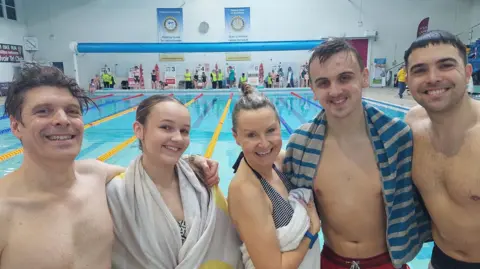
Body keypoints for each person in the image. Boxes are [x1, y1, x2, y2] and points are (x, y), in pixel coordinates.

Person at [0, 65, 219, 269]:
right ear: (16, 126)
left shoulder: (95, 175)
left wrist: (192, 161)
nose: (62, 120)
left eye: (72, 111)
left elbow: (150, 169)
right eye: (43, 111)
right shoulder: (4, 208)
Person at [282, 39, 430, 268]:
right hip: (329, 261)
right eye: (323, 83)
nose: (335, 91)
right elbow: (272, 181)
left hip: (387, 262)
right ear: (311, 88)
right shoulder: (300, 146)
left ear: (364, 77)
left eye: (344, 78)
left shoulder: (397, 139)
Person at [107, 95, 243, 269]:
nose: (178, 138)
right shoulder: (117, 194)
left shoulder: (202, 182)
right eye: (166, 127)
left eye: (184, 131)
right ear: (139, 130)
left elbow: (226, 243)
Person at [403, 30, 480, 269]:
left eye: (445, 65)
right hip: (440, 260)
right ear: (408, 81)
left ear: (467, 73)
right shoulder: (412, 126)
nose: (433, 78)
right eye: (420, 70)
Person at [228, 84, 321, 269]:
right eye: (251, 135)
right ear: (236, 137)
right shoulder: (246, 191)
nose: (264, 144)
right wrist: (311, 232)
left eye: (270, 131)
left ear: (280, 125)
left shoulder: (279, 161)